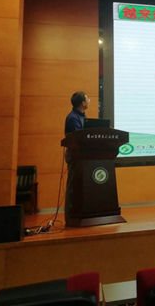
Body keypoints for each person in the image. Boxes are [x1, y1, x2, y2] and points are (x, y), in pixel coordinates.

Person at [64, 91, 89, 221]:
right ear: (83, 103)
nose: (89, 101)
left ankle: (80, 213)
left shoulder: (83, 116)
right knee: (73, 185)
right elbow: (78, 138)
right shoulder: (73, 118)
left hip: (82, 156)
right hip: (75, 155)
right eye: (87, 99)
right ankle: (70, 216)